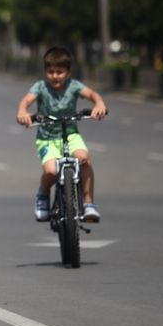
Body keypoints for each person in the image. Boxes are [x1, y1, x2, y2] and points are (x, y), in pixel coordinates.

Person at [16, 46, 107, 223]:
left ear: (68, 72)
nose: (55, 76)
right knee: (51, 171)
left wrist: (99, 104)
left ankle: (88, 203)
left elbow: (92, 94)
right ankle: (43, 194)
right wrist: (22, 112)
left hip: (71, 135)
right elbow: (26, 101)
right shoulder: (40, 87)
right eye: (50, 72)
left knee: (84, 159)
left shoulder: (74, 86)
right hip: (47, 139)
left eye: (60, 71)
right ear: (45, 72)